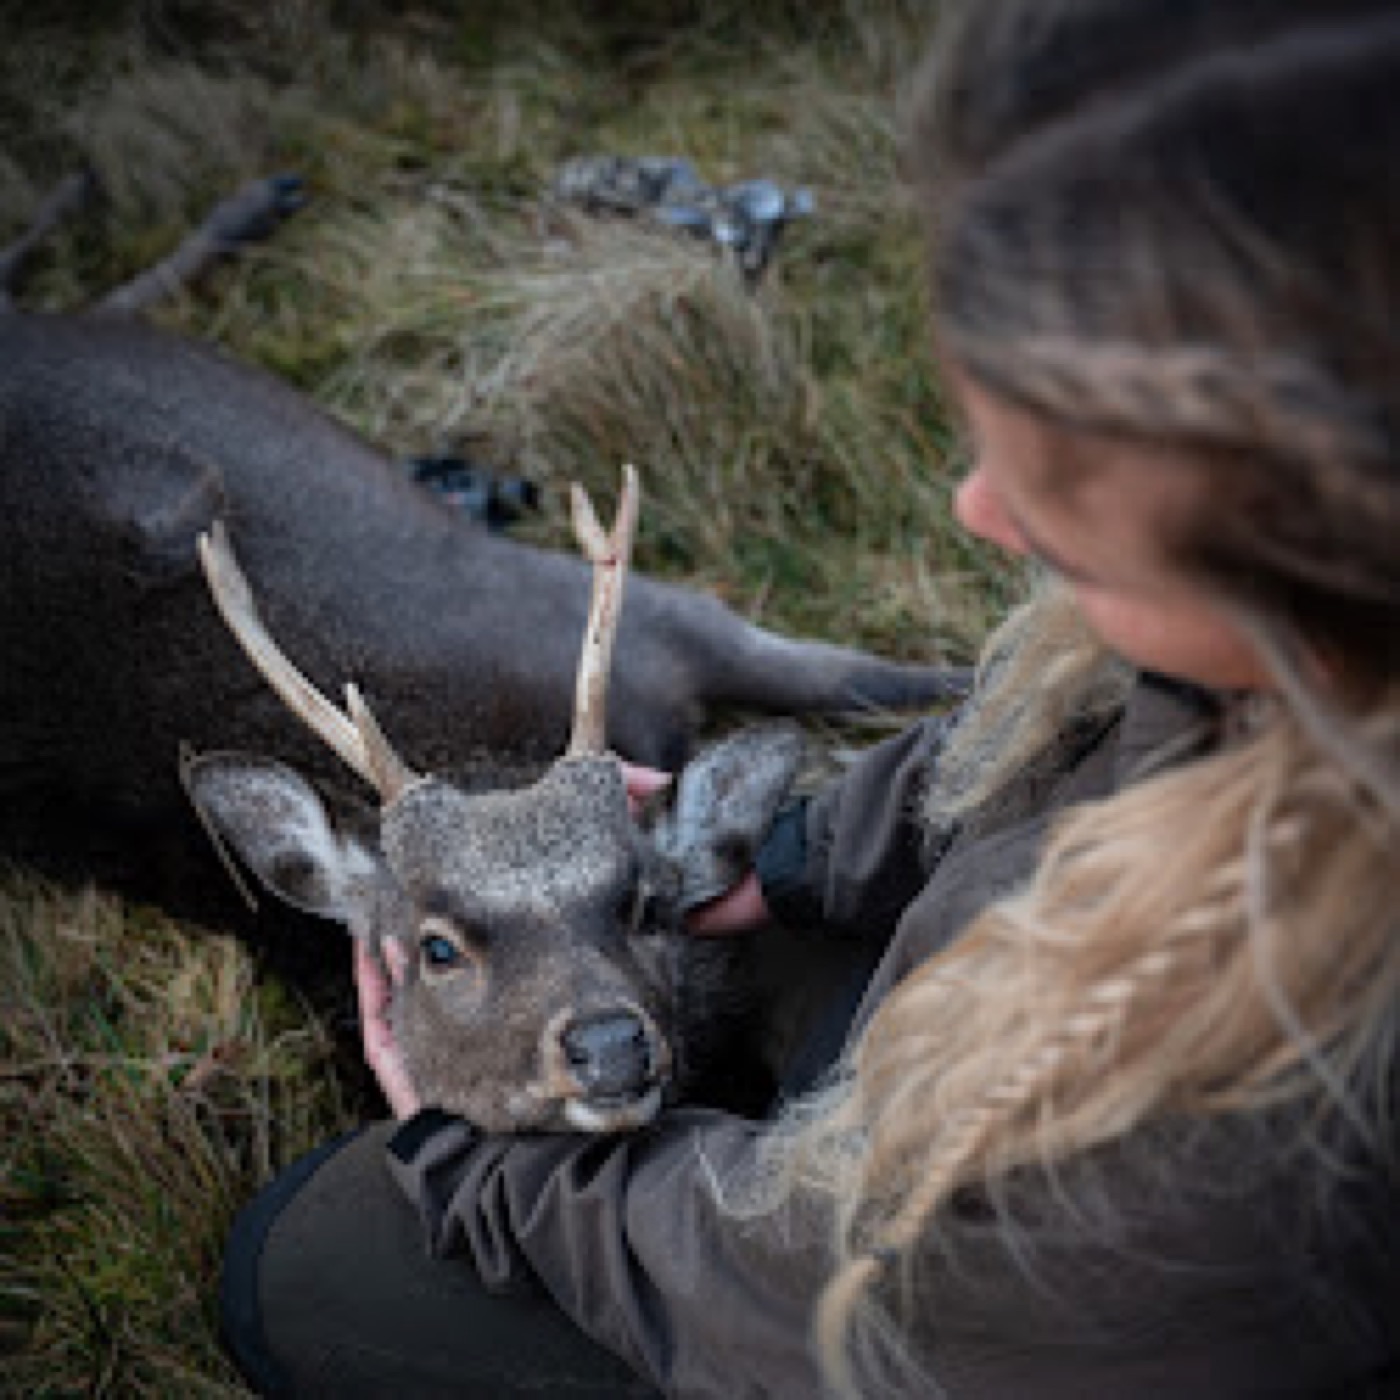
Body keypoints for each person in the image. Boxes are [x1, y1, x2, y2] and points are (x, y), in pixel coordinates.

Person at [219, 1, 1400, 1394]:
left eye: (1061, 476)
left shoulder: (1216, 1167)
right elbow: (1103, 731)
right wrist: (790, 859)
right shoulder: (1294, 653)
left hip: (935, 1333)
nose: (976, 508)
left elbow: (851, 1303)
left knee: (298, 1267)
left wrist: (472, 1163)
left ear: (1311, 517)